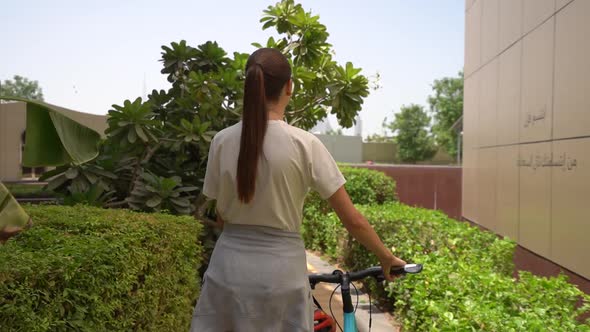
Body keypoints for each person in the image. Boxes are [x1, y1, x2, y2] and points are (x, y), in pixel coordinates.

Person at [190, 48, 406, 332]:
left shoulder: (222, 141)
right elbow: (351, 218)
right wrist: (386, 257)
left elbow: (221, 215)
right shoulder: (305, 144)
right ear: (289, 87)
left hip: (227, 272)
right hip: (280, 276)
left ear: (249, 85)